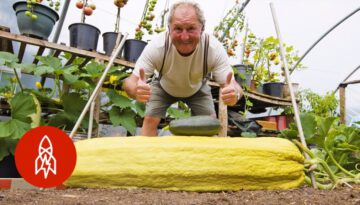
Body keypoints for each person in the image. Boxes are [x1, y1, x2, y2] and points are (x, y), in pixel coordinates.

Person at [123, 0, 243, 136]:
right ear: (169, 29)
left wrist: (235, 94)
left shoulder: (214, 49)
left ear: (202, 28)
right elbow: (130, 82)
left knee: (210, 124)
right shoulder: (156, 47)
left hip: (197, 88)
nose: (184, 37)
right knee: (150, 120)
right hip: (163, 86)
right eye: (178, 29)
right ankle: (150, 156)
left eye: (191, 28)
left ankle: (202, 156)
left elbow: (234, 87)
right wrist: (134, 90)